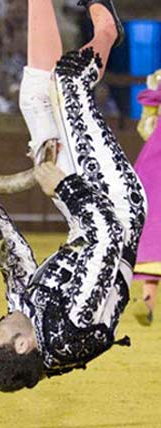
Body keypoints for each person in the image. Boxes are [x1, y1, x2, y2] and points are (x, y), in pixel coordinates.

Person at [0, 0, 147, 392]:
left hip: (81, 213)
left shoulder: (27, 323)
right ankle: (107, 30)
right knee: (69, 82)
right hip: (116, 206)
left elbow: (16, 260)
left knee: (34, 98)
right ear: (21, 345)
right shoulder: (73, 326)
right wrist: (61, 186)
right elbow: (107, 238)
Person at [132, 69, 161, 325]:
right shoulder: (156, 78)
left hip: (156, 162)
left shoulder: (157, 79)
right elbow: (146, 129)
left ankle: (148, 302)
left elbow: (146, 129)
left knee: (154, 229)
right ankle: (147, 303)